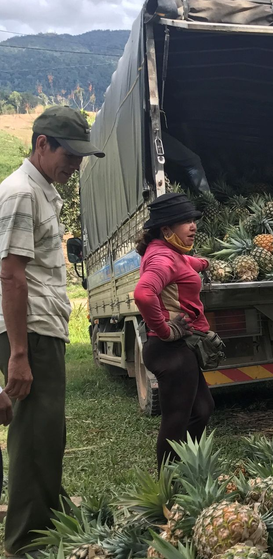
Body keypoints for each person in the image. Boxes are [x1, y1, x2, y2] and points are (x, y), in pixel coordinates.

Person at [0, 106, 104, 557]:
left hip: (42, 330)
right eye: (70, 154)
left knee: (46, 434)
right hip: (32, 333)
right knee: (35, 437)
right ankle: (26, 543)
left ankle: (44, 517)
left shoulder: (41, 191)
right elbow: (11, 274)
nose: (76, 164)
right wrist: (19, 353)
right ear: (42, 143)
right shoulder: (22, 192)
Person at [134, 193, 214, 470]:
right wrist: (166, 330)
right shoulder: (163, 258)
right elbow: (144, 294)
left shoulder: (169, 253)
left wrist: (204, 263)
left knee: (202, 410)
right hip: (171, 349)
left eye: (193, 220)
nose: (193, 226)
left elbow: (185, 264)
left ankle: (185, 471)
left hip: (179, 351)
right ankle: (169, 486)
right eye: (185, 221)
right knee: (176, 420)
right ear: (166, 229)